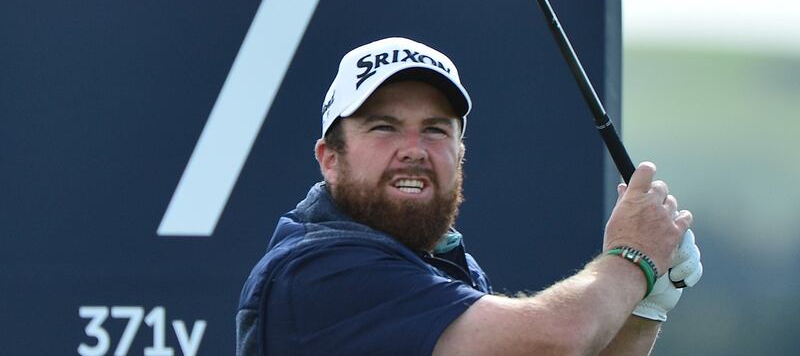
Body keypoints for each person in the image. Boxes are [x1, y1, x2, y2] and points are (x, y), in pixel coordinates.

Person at [236, 37, 703, 356]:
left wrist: (645, 306)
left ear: (460, 153)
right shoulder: (317, 271)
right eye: (384, 128)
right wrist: (632, 259)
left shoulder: (441, 268)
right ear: (330, 158)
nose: (414, 150)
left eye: (436, 130)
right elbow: (555, 340)